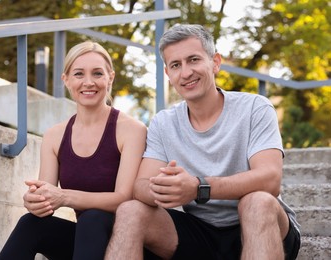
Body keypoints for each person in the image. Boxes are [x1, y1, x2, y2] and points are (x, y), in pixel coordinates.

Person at [105, 24, 301, 260]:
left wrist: (198, 188)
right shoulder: (163, 122)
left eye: (194, 60)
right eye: (176, 65)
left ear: (215, 62)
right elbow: (140, 187)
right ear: (168, 74)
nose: (186, 73)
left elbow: (270, 179)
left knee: (257, 201)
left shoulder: (255, 108)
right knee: (130, 210)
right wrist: (163, 189)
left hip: (263, 228)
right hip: (199, 232)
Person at [0, 41, 147, 260]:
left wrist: (64, 197)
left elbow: (123, 199)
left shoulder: (132, 130)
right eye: (78, 74)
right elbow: (47, 200)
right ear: (66, 80)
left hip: (127, 243)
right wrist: (35, 201)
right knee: (31, 223)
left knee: (94, 217)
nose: (88, 82)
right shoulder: (54, 135)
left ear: (110, 78)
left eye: (97, 73)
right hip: (85, 244)